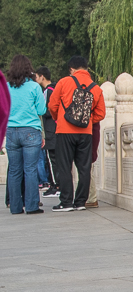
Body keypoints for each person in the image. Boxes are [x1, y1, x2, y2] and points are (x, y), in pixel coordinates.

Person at [46, 56, 104, 212]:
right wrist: (87, 120)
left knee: (64, 166)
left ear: (71, 69)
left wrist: (59, 118)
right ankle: (80, 202)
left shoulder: (64, 82)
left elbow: (52, 105)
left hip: (64, 131)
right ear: (86, 68)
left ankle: (66, 202)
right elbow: (101, 113)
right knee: (84, 167)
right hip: (86, 133)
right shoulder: (96, 87)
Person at [6, 55, 47, 215]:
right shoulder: (34, 87)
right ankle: (31, 206)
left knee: (14, 170)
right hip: (30, 130)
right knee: (30, 169)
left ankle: (15, 207)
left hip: (11, 131)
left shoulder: (6, 87)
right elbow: (41, 110)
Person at [34, 66, 57, 196]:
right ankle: (56, 184)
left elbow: (45, 110)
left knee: (52, 159)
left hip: (50, 129)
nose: (35, 79)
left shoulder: (47, 91)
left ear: (42, 76)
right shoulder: (55, 88)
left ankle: (55, 185)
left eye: (36, 76)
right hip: (56, 128)